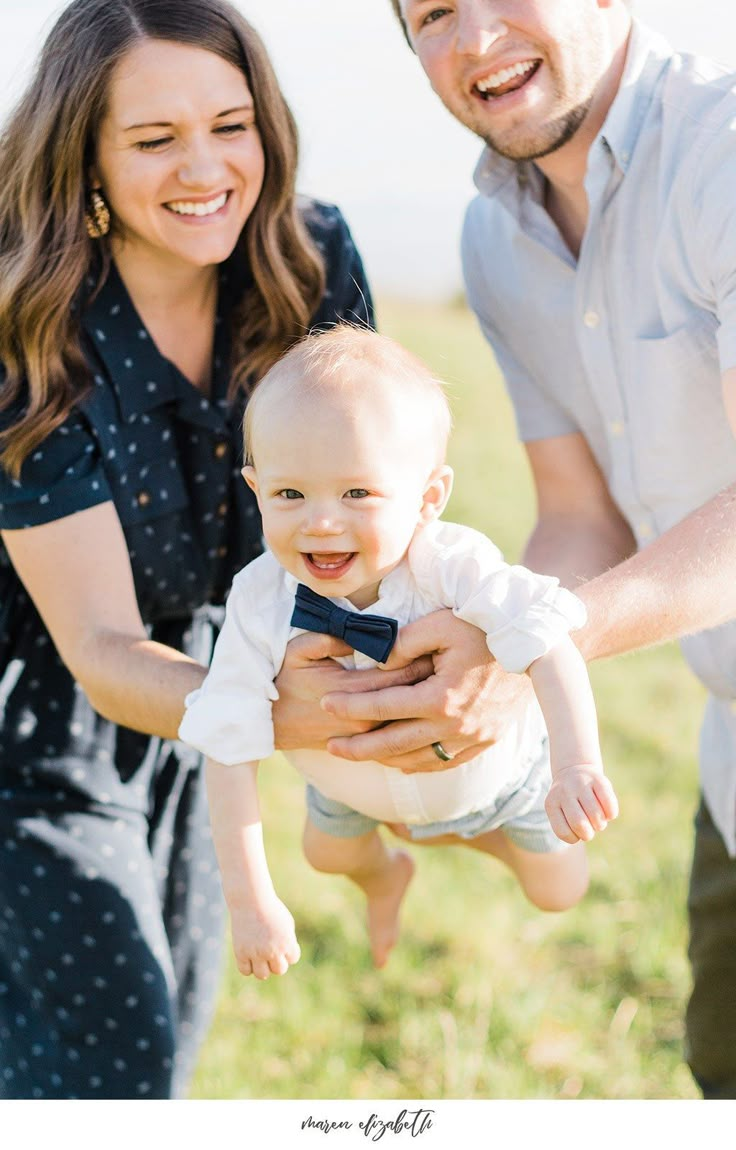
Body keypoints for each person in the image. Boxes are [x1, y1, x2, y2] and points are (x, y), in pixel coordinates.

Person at [0, 0, 383, 1100]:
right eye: (155, 139)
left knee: (169, 1024)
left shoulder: (313, 264)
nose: (206, 166)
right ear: (85, 159)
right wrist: (293, 712)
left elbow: (372, 513)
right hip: (36, 730)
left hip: (210, 700)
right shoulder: (28, 321)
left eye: (231, 123)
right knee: (116, 1066)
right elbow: (102, 643)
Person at [387, 0, 736, 1100]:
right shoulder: (494, 237)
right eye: (434, 13)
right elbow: (579, 513)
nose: (476, 38)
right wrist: (463, 650)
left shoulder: (722, 156)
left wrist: (528, 647)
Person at [179, 326, 618, 976]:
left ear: (428, 499)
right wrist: (251, 903)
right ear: (255, 489)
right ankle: (389, 872)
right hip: (349, 786)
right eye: (290, 494)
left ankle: (460, 830)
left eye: (357, 493)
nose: (321, 521)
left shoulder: (451, 564)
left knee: (559, 891)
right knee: (325, 855)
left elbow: (549, 641)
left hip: (494, 778)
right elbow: (226, 749)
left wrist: (576, 766)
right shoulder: (258, 598)